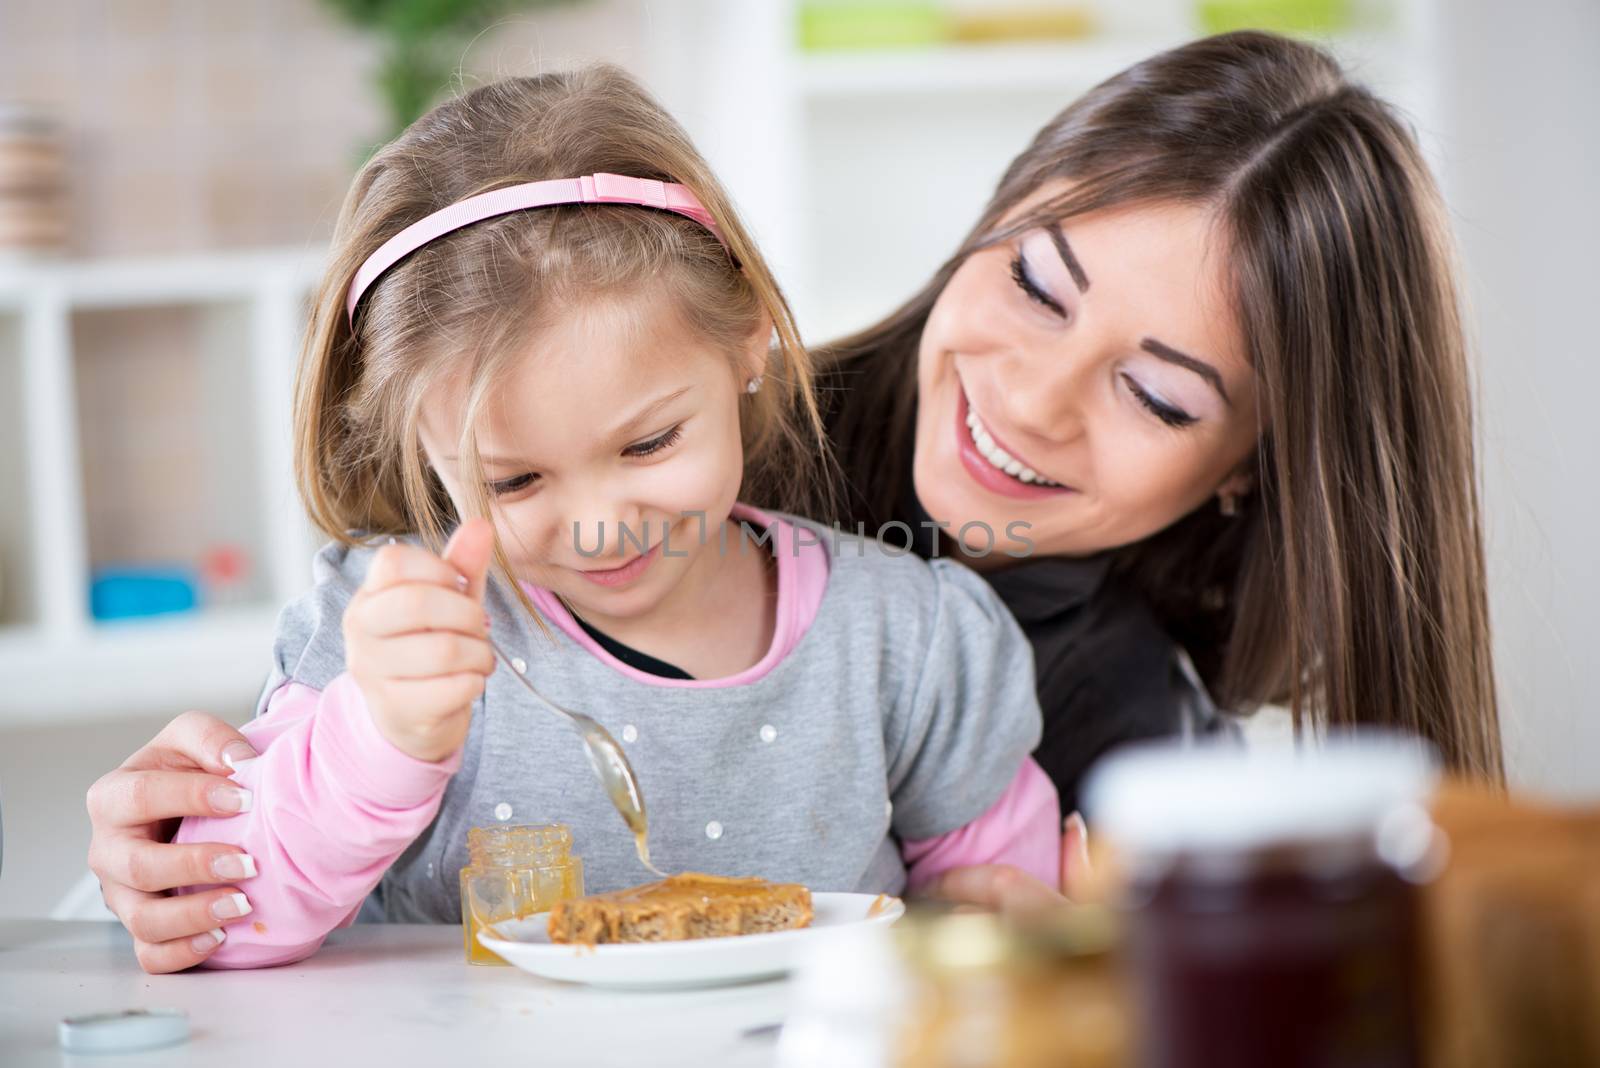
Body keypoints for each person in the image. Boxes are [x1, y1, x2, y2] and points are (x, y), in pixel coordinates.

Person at [87, 30, 1503, 969]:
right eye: (1034, 282)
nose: (1033, 398)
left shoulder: (1065, 705)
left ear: (1259, 460)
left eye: (1161, 394)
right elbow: (209, 915)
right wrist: (185, 847)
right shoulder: (515, 521)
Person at [151, 67, 1060, 970]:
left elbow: (1012, 944)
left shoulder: (912, 640)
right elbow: (221, 931)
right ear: (421, 451)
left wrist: (1009, 929)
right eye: (512, 482)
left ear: (749, 342)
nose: (599, 525)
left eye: (648, 444)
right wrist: (381, 737)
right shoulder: (372, 638)